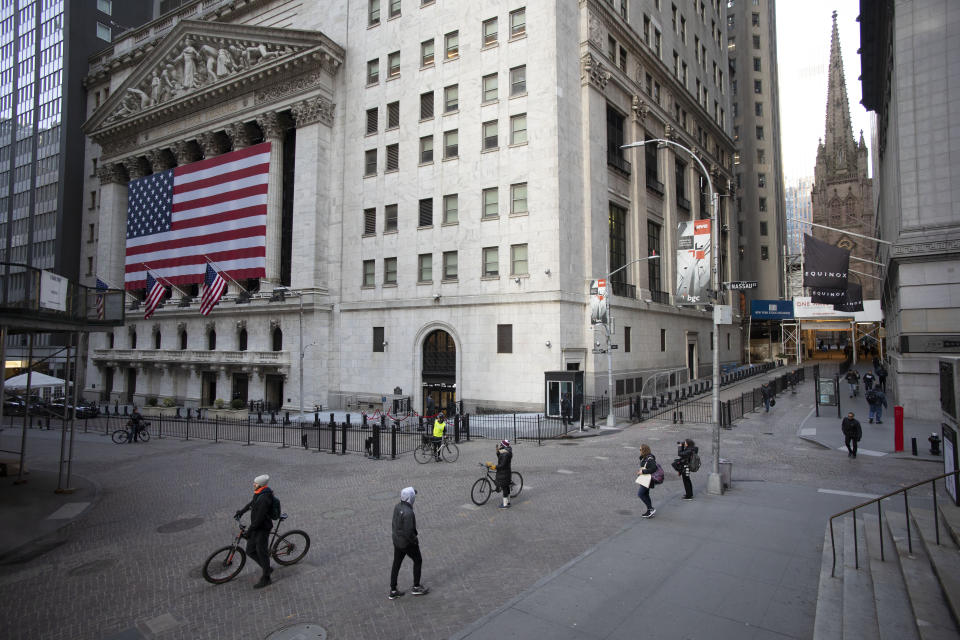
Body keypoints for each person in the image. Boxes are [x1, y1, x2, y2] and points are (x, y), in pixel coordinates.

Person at [235, 474, 275, 589]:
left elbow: (259, 518)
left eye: (255, 483)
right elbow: (252, 503)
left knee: (261, 552)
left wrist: (250, 531)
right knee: (250, 550)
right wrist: (242, 511)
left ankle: (266, 578)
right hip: (256, 528)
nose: (254, 484)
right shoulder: (259, 493)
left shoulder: (265, 498)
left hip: (262, 529)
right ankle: (266, 567)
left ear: (261, 485)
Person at [389, 487, 429, 599]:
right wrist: (415, 541)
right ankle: (416, 587)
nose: (414, 497)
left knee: (396, 563)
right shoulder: (409, 513)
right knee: (418, 560)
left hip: (397, 541)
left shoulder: (397, 507)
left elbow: (394, 524)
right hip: (406, 543)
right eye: (413, 496)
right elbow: (409, 532)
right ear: (410, 498)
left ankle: (393, 589)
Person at [635, 444, 658, 518]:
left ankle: (651, 509)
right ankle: (649, 510)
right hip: (645, 479)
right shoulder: (645, 457)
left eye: (640, 449)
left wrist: (643, 472)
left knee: (640, 494)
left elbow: (654, 468)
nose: (639, 451)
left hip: (647, 479)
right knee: (646, 494)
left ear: (644, 450)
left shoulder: (650, 458)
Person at [495, 440, 513, 508]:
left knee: (504, 487)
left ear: (503, 445)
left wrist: (495, 467)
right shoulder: (505, 451)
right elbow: (500, 457)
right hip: (506, 472)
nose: (500, 446)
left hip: (504, 473)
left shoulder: (506, 454)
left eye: (501, 445)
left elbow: (502, 465)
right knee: (506, 486)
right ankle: (507, 502)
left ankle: (505, 504)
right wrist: (497, 451)